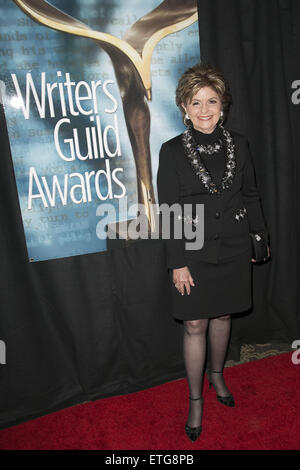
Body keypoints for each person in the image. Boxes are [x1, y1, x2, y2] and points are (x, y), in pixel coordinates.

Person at [156, 63, 270, 442]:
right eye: (196, 102)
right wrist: (177, 263)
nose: (204, 110)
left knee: (222, 316)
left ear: (223, 105)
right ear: (184, 108)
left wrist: (258, 237)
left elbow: (250, 195)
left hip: (234, 246)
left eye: (212, 101)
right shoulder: (171, 152)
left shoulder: (239, 144)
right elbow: (168, 213)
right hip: (193, 252)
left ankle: (218, 375)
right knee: (194, 324)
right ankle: (195, 400)